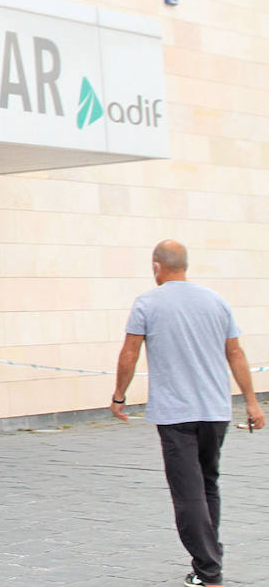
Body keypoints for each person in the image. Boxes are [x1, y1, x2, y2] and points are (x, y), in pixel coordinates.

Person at [112, 240, 264, 587]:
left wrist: (119, 396)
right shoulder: (215, 300)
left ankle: (210, 574)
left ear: (156, 267)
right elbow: (236, 353)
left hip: (175, 415)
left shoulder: (147, 303)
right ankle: (208, 562)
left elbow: (129, 354)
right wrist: (252, 403)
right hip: (215, 411)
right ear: (186, 265)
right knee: (208, 484)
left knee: (188, 494)